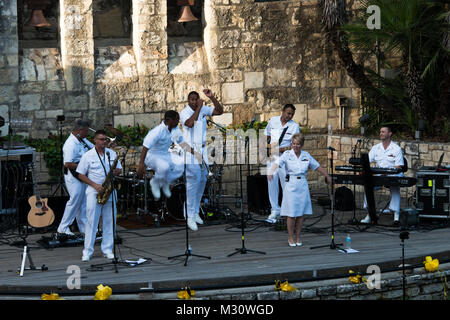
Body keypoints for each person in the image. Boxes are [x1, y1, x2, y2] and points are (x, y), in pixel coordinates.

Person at [268, 133, 331, 247]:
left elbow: (317, 166)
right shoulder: (287, 154)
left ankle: (298, 236)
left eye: (297, 144)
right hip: (291, 184)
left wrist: (327, 176)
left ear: (301, 145)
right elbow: (277, 163)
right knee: (291, 214)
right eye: (293, 144)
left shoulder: (306, 155)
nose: (295, 146)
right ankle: (290, 237)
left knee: (301, 214)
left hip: (302, 184)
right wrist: (271, 172)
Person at [180, 89, 223, 231]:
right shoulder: (184, 112)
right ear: (188, 101)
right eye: (191, 99)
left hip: (202, 149)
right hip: (190, 150)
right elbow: (189, 124)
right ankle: (189, 215)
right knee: (193, 182)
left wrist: (212, 97)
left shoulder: (204, 109)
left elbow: (219, 111)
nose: (194, 101)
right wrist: (198, 107)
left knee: (204, 179)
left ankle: (195, 211)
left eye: (196, 99)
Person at [76, 130, 122, 261]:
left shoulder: (112, 154)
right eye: (101, 139)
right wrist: (95, 185)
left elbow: (118, 169)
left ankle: (107, 249)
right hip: (94, 191)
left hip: (109, 190)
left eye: (105, 140)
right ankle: (87, 251)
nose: (103, 142)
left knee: (110, 221)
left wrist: (117, 171)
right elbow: (80, 174)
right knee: (91, 222)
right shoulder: (88, 155)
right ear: (95, 140)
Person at [137, 110, 185, 200]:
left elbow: (183, 143)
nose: (178, 122)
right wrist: (141, 164)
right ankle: (155, 183)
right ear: (169, 120)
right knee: (164, 167)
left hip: (166, 155)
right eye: (176, 120)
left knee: (181, 164)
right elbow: (145, 147)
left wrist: (195, 154)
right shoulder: (157, 131)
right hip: (152, 156)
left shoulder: (176, 130)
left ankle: (166, 183)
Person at [360, 126, 404, 225]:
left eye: (383, 132)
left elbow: (398, 167)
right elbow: (367, 162)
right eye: (380, 131)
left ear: (390, 134)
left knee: (395, 188)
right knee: (368, 187)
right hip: (380, 175)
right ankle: (370, 214)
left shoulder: (396, 149)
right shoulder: (376, 148)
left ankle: (396, 215)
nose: (381, 133)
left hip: (393, 175)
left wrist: (388, 172)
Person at [57, 120, 94, 236]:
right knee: (74, 200)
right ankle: (63, 227)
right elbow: (67, 164)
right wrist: (85, 165)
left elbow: (93, 149)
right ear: (79, 131)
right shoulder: (70, 144)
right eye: (86, 131)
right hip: (73, 176)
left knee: (83, 201)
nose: (87, 133)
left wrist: (105, 145)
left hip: (81, 174)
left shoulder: (82, 140)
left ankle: (83, 227)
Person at [264, 104, 300, 223]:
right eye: (288, 113)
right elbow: (266, 136)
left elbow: (295, 145)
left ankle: (289, 210)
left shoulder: (294, 126)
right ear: (283, 111)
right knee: (271, 183)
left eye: (292, 114)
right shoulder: (273, 121)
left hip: (285, 158)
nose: (290, 116)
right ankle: (275, 209)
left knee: (286, 185)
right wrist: (266, 146)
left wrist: (280, 149)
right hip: (272, 157)